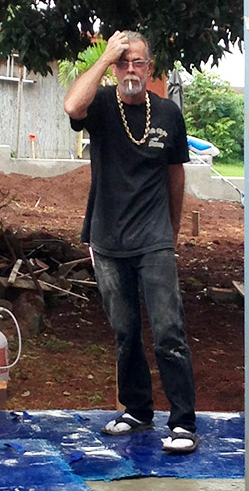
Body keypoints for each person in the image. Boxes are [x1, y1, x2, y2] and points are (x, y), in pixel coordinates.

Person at [64, 31, 199, 454]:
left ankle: (183, 423)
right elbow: (71, 106)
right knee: (125, 332)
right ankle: (138, 411)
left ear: (150, 68)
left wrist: (171, 232)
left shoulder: (168, 114)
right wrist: (105, 57)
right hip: (106, 238)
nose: (130, 70)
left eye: (137, 62)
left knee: (168, 332)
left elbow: (176, 175)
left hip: (153, 237)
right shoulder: (102, 105)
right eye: (124, 63)